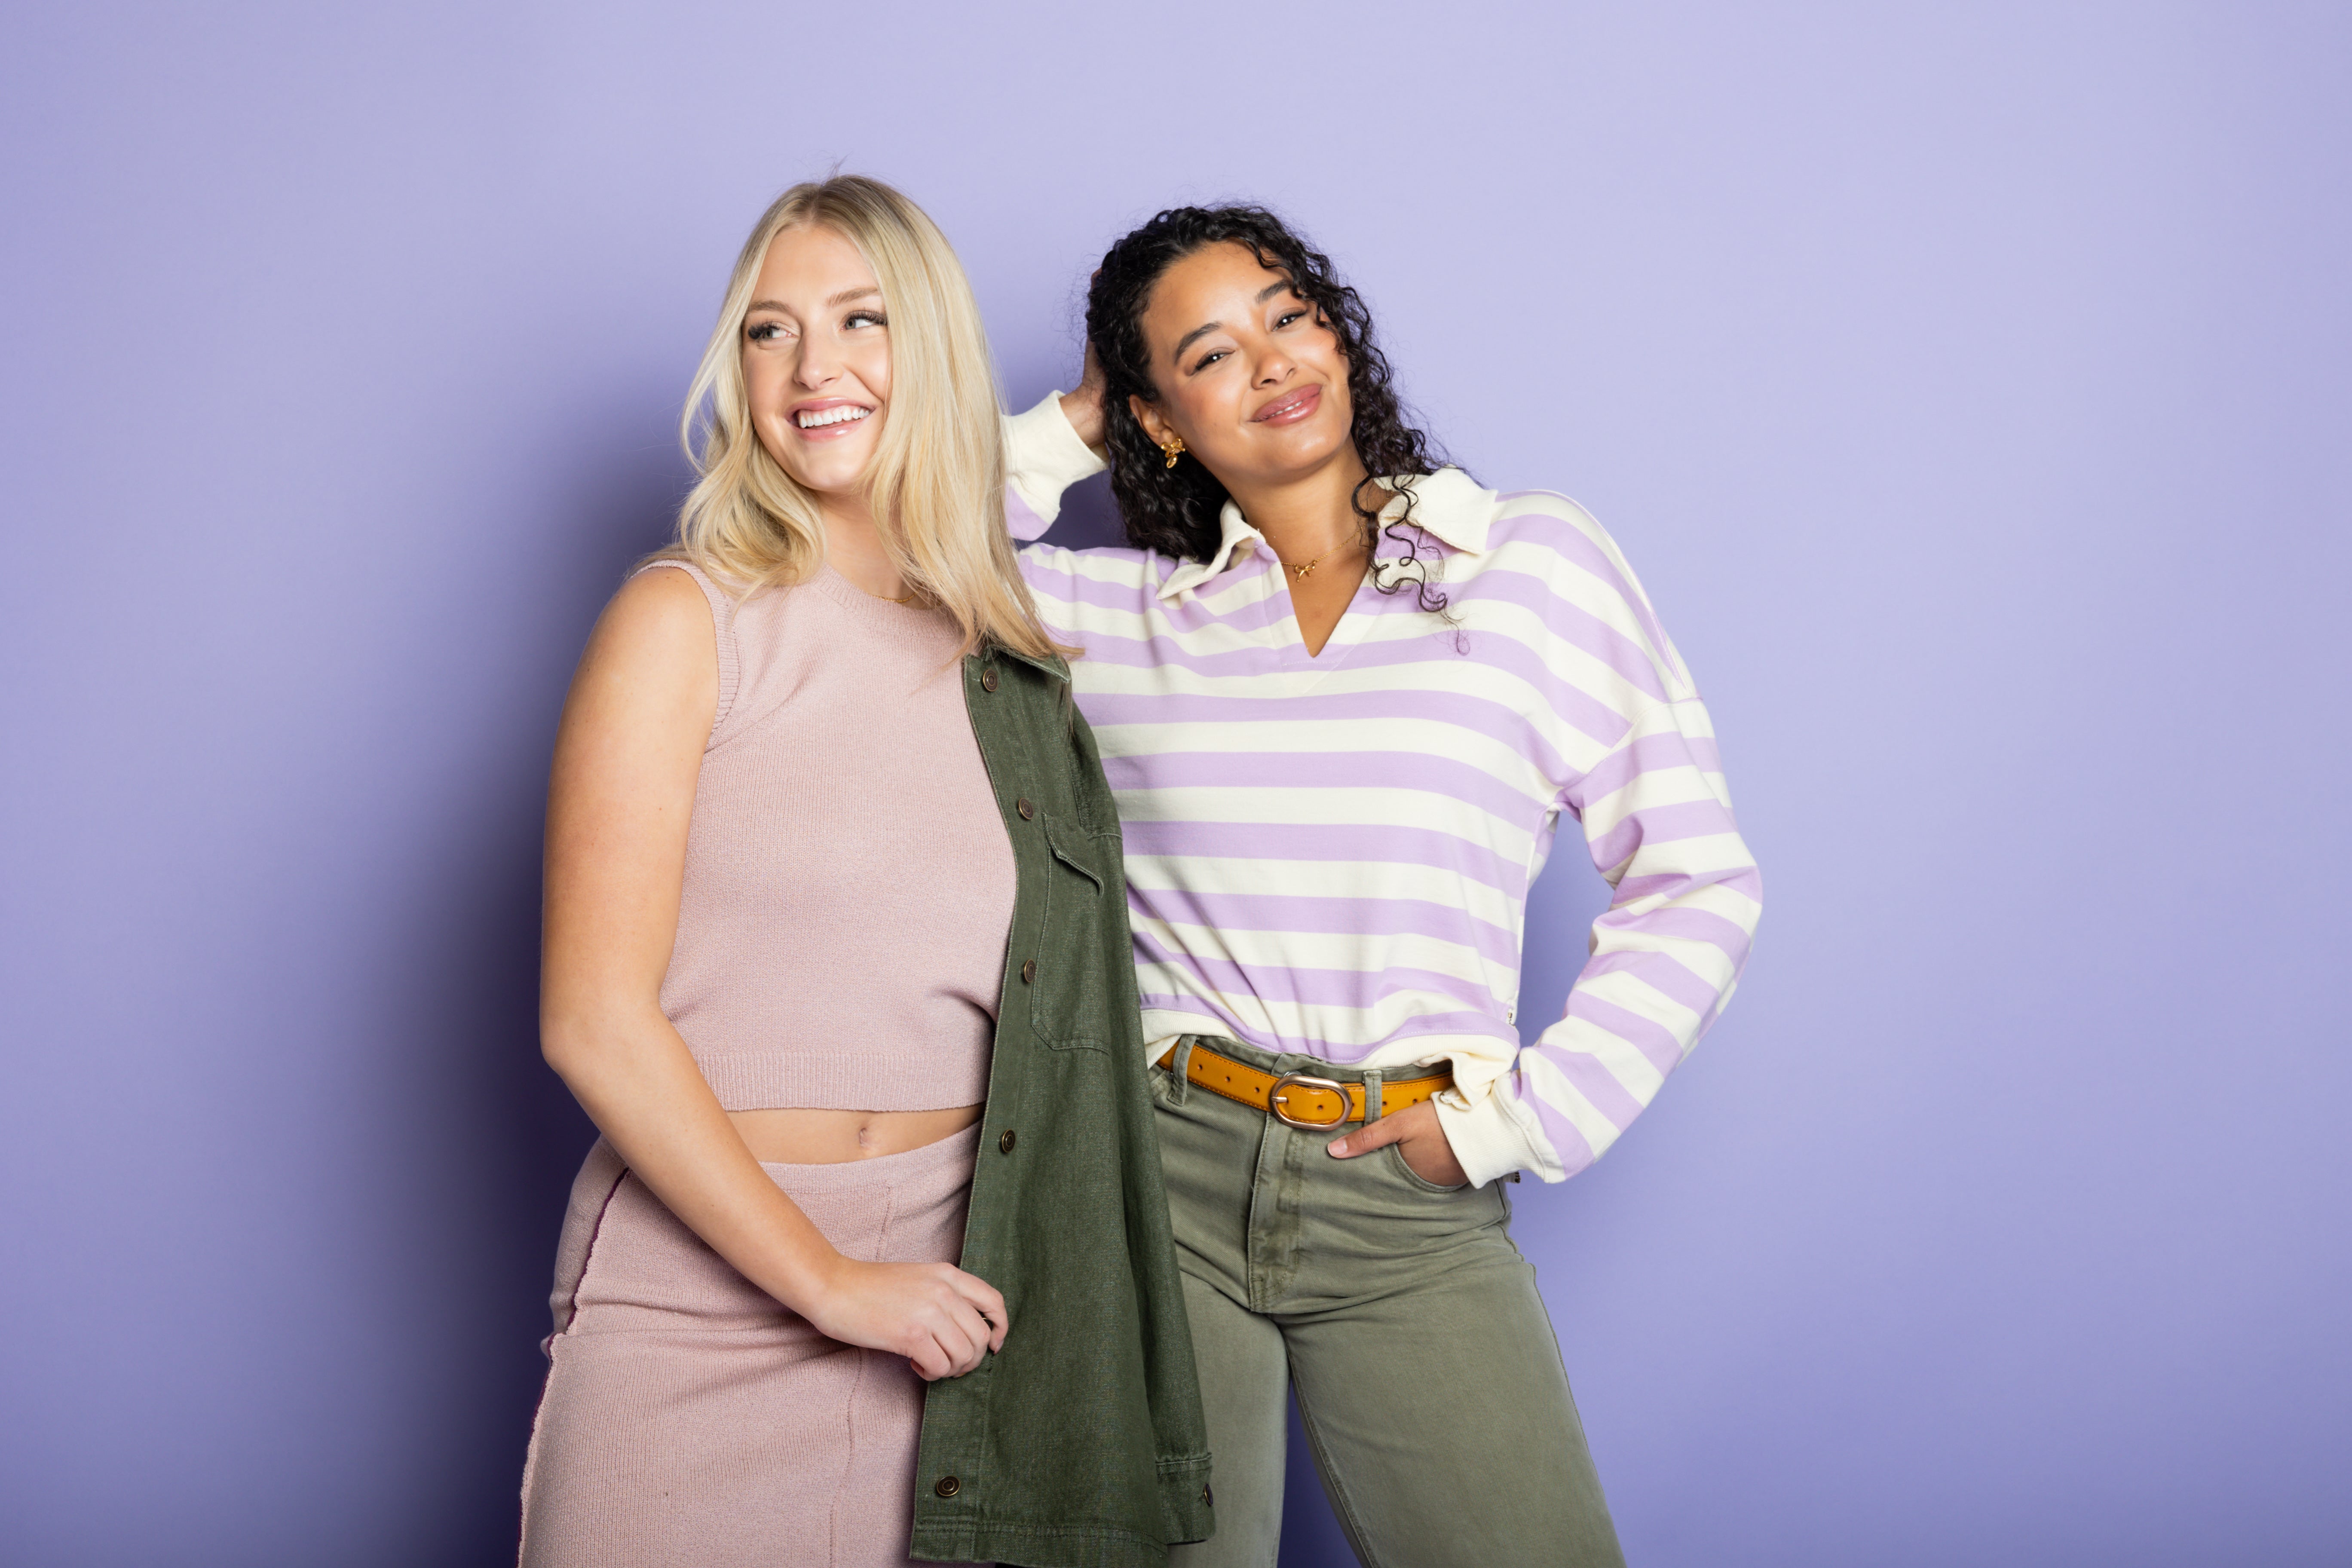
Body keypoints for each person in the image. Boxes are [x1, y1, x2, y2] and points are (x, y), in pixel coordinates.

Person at [997, 205, 1763, 1566]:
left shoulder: (1522, 562)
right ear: (1158, 420)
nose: (1278, 361)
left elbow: (1699, 880)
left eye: (1290, 314)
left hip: (1409, 1187)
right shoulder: (1121, 618)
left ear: (1339, 332)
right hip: (1157, 1179)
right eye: (1211, 353)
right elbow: (881, 551)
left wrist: (1514, 1124)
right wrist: (1076, 416)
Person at [518, 176, 1211, 1568]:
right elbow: (592, 1019)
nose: (814, 368)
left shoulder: (1002, 649)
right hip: (704, 1300)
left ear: (938, 349)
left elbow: (960, 492)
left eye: (861, 320)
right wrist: (830, 1283)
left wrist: (1099, 409)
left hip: (955, 1306)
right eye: (771, 331)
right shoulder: (683, 618)